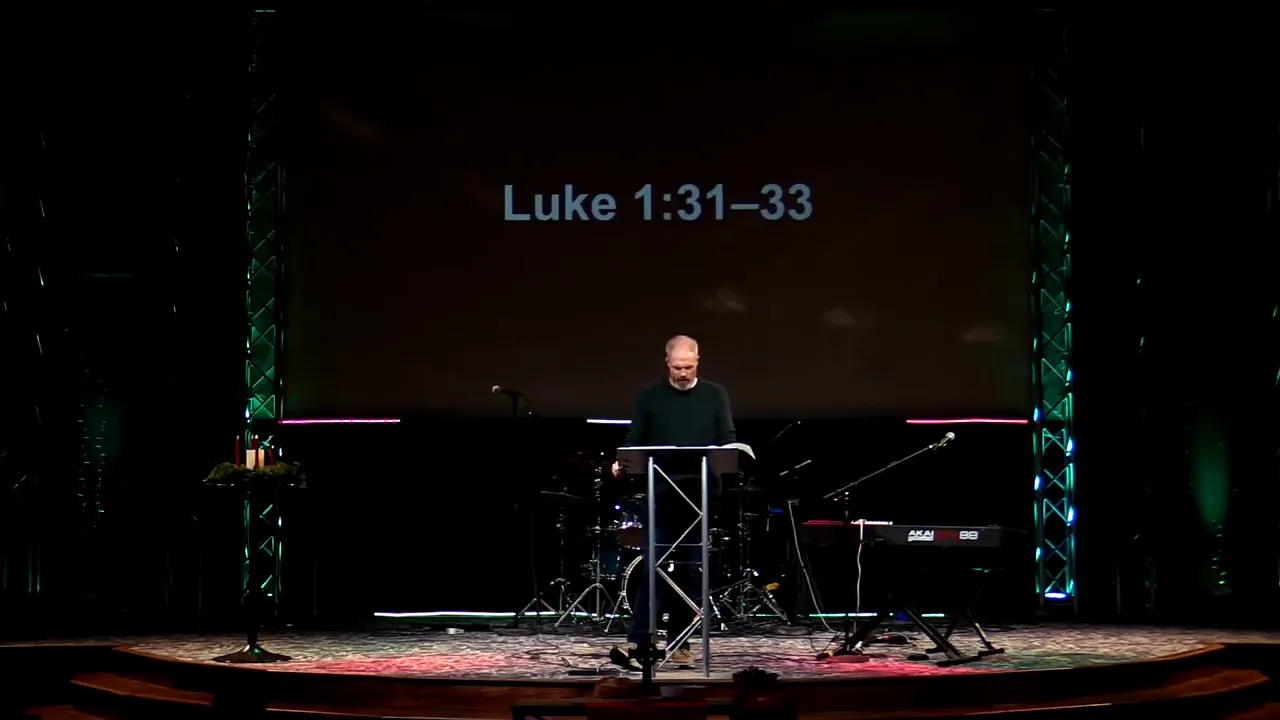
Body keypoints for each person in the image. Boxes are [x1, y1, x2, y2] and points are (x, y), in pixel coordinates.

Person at [608, 335, 736, 670]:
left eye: (689, 367)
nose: (683, 373)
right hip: (660, 495)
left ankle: (681, 644)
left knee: (690, 572)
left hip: (698, 497)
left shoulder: (715, 394)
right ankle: (639, 642)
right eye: (677, 367)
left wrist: (730, 456)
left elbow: (726, 440)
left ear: (698, 361)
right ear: (667, 363)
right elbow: (635, 439)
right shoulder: (649, 395)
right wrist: (622, 464)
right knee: (653, 569)